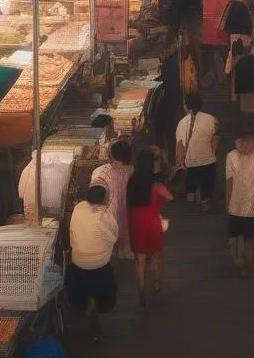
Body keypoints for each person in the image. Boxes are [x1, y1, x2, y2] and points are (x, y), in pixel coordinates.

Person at [66, 184, 118, 338]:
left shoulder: (79, 209)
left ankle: (90, 303)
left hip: (78, 262)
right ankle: (94, 303)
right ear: (103, 200)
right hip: (100, 265)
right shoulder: (105, 215)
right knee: (102, 272)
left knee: (86, 276)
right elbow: (113, 236)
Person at [127, 149, 173, 305]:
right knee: (156, 255)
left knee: (140, 260)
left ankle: (141, 290)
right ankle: (157, 281)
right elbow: (169, 197)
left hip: (136, 223)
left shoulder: (132, 182)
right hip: (152, 223)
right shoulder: (155, 185)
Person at [225, 133, 254, 277]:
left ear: (253, 143)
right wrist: (227, 201)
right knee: (233, 237)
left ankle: (246, 264)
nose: (244, 145)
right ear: (237, 143)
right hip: (235, 204)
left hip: (252, 205)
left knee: (248, 237)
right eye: (241, 142)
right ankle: (241, 260)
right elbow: (229, 180)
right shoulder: (231, 156)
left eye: (247, 142)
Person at [175, 92, 219, 210]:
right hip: (209, 161)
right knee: (207, 187)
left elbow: (180, 145)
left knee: (191, 187)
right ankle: (205, 206)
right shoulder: (211, 119)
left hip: (191, 162)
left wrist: (179, 161)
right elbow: (216, 137)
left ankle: (191, 212)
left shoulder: (182, 123)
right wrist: (213, 153)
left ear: (186, 106)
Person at [90, 141, 134, 259]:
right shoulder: (130, 170)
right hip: (122, 208)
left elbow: (93, 193)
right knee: (122, 229)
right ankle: (123, 251)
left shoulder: (100, 171)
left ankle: (112, 252)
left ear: (112, 154)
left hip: (105, 210)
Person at [149, 42, 183, 166]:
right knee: (169, 132)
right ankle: (169, 159)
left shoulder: (170, 63)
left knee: (164, 131)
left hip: (167, 101)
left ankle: (166, 160)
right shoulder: (172, 61)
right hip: (171, 101)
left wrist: (152, 80)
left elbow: (164, 78)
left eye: (161, 54)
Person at [201, 0, 233, 89]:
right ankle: (227, 78)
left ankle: (211, 73)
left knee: (209, 55)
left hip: (208, 29)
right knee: (226, 56)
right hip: (223, 30)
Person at [231, 34, 254, 135]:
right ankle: (251, 128)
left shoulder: (241, 61)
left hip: (243, 91)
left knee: (245, 111)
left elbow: (236, 78)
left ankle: (246, 129)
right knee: (253, 111)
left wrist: (234, 94)